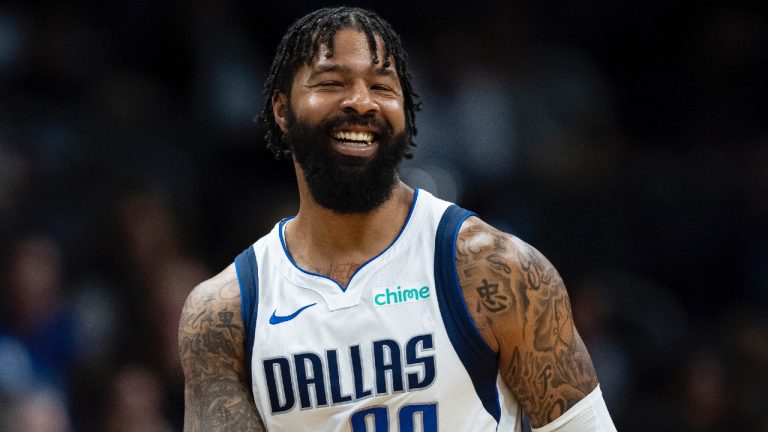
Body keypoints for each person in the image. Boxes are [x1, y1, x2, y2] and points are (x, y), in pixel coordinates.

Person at [179, 6, 616, 431]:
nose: (361, 102)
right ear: (281, 108)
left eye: (383, 86)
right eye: (332, 83)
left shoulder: (494, 270)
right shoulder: (224, 313)